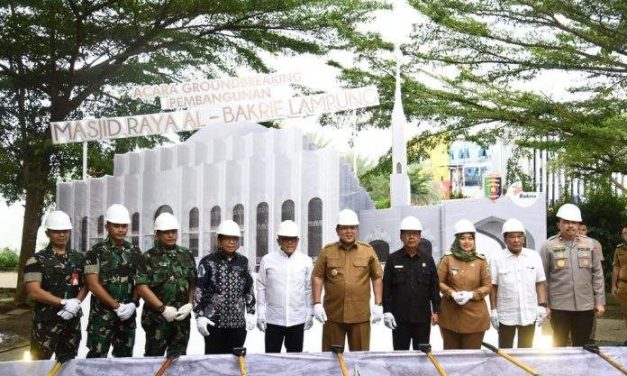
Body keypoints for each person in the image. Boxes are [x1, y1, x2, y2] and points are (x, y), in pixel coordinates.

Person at [312, 208, 383, 351]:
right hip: (333, 315)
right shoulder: (327, 251)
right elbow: (318, 276)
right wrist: (317, 303)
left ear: (357, 230)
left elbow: (377, 278)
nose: (349, 231)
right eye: (344, 228)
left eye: (352, 227)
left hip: (360, 315)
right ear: (337, 230)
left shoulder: (367, 250)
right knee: (331, 359)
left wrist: (378, 304)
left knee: (360, 358)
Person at [24, 210, 87, 363]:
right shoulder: (35, 260)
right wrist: (63, 303)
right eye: (57, 231)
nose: (62, 235)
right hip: (46, 324)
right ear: (48, 233)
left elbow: (87, 285)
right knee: (39, 365)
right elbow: (34, 291)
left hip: (71, 322)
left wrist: (77, 302)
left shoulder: (79, 259)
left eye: (65, 231)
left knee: (68, 364)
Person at [539, 203, 605, 347]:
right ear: (559, 224)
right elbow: (542, 278)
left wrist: (599, 301)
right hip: (559, 306)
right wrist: (545, 305)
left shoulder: (590, 244)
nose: (570, 226)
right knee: (559, 344)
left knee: (582, 345)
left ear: (578, 224)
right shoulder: (548, 246)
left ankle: (581, 370)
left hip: (585, 305)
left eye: (574, 222)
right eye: (566, 222)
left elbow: (597, 274)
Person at [135, 212, 196, 357]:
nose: (171, 235)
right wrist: (162, 309)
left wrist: (189, 303)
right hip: (157, 321)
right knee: (154, 361)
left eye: (173, 231)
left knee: (179, 361)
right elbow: (141, 287)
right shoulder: (147, 257)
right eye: (166, 232)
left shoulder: (186, 254)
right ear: (157, 234)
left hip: (181, 320)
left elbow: (192, 282)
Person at [84, 204, 142, 358]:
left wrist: (133, 303)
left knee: (124, 360)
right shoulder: (95, 252)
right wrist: (115, 306)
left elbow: (140, 281)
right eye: (116, 226)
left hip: (127, 316)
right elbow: (93, 285)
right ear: (107, 226)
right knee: (96, 359)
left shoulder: (134, 251)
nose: (121, 229)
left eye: (124, 226)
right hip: (102, 317)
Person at [194, 219, 256, 354]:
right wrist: (200, 316)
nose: (231, 242)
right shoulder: (207, 262)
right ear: (219, 240)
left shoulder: (243, 262)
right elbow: (198, 290)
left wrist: (251, 312)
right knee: (214, 364)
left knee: (235, 364)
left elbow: (249, 289)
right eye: (227, 239)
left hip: (237, 325)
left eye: (235, 239)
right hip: (213, 323)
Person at [382, 216, 440, 350]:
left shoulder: (428, 259)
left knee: (422, 355)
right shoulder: (392, 259)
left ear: (420, 237)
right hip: (399, 318)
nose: (411, 237)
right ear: (401, 237)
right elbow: (387, 288)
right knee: (400, 354)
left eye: (415, 233)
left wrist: (436, 311)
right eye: (408, 233)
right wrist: (387, 311)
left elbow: (434, 287)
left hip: (422, 319)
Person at [489, 218, 548, 348]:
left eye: (519, 236)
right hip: (506, 314)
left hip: (529, 312)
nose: (516, 240)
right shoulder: (496, 258)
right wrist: (493, 310)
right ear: (505, 239)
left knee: (526, 350)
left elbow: (539, 283)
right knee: (505, 350)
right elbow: (493, 286)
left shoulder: (534, 256)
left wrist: (542, 306)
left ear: (524, 238)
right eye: (512, 237)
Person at [256, 220, 313, 353]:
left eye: (293, 239)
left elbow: (308, 288)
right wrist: (260, 313)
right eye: (286, 239)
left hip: (297, 320)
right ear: (278, 240)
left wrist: (309, 313)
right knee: (272, 358)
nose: (289, 243)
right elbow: (261, 286)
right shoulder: (267, 260)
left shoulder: (306, 261)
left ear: (298, 240)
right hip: (273, 320)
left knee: (295, 361)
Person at [437, 219, 491, 349]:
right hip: (450, 315)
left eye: (470, 238)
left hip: (475, 317)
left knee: (472, 357)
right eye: (463, 238)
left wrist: (472, 294)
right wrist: (452, 293)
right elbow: (437, 282)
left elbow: (488, 286)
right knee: (452, 357)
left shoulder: (481, 261)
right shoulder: (447, 259)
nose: (467, 242)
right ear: (457, 240)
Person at [611, 225, 627, 329]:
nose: (626, 235)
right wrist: (613, 285)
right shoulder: (619, 248)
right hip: (623, 286)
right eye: (624, 233)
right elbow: (616, 267)